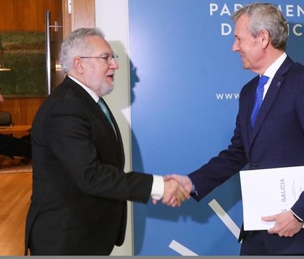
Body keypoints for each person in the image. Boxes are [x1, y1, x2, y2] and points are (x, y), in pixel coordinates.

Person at [169, 3, 304, 255]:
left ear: (263, 38)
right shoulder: (248, 93)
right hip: (260, 234)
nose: (234, 47)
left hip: (301, 237)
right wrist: (191, 182)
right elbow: (238, 152)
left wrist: (300, 214)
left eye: (239, 39)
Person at [24, 27, 190, 255]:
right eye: (106, 58)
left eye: (113, 57)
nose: (115, 65)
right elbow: (91, 175)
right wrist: (159, 186)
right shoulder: (65, 107)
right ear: (79, 64)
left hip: (88, 234)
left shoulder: (87, 101)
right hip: (66, 240)